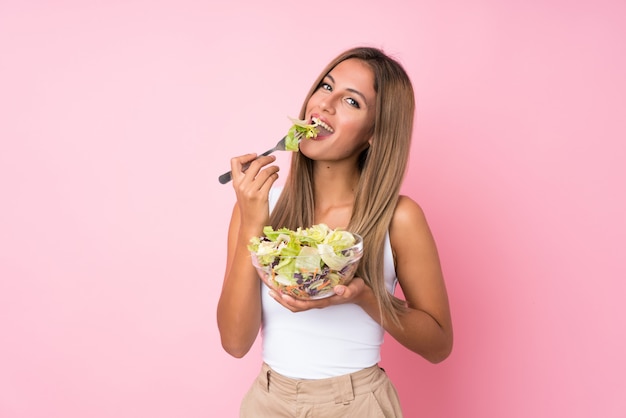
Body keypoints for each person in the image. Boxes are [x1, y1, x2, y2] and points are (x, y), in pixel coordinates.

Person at [217, 46, 453, 417]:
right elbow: (234, 342)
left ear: (375, 133)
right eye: (326, 87)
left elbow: (438, 344)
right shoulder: (260, 205)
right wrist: (253, 225)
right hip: (267, 401)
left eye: (351, 102)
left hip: (356, 403)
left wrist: (363, 296)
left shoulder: (398, 218)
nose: (325, 105)